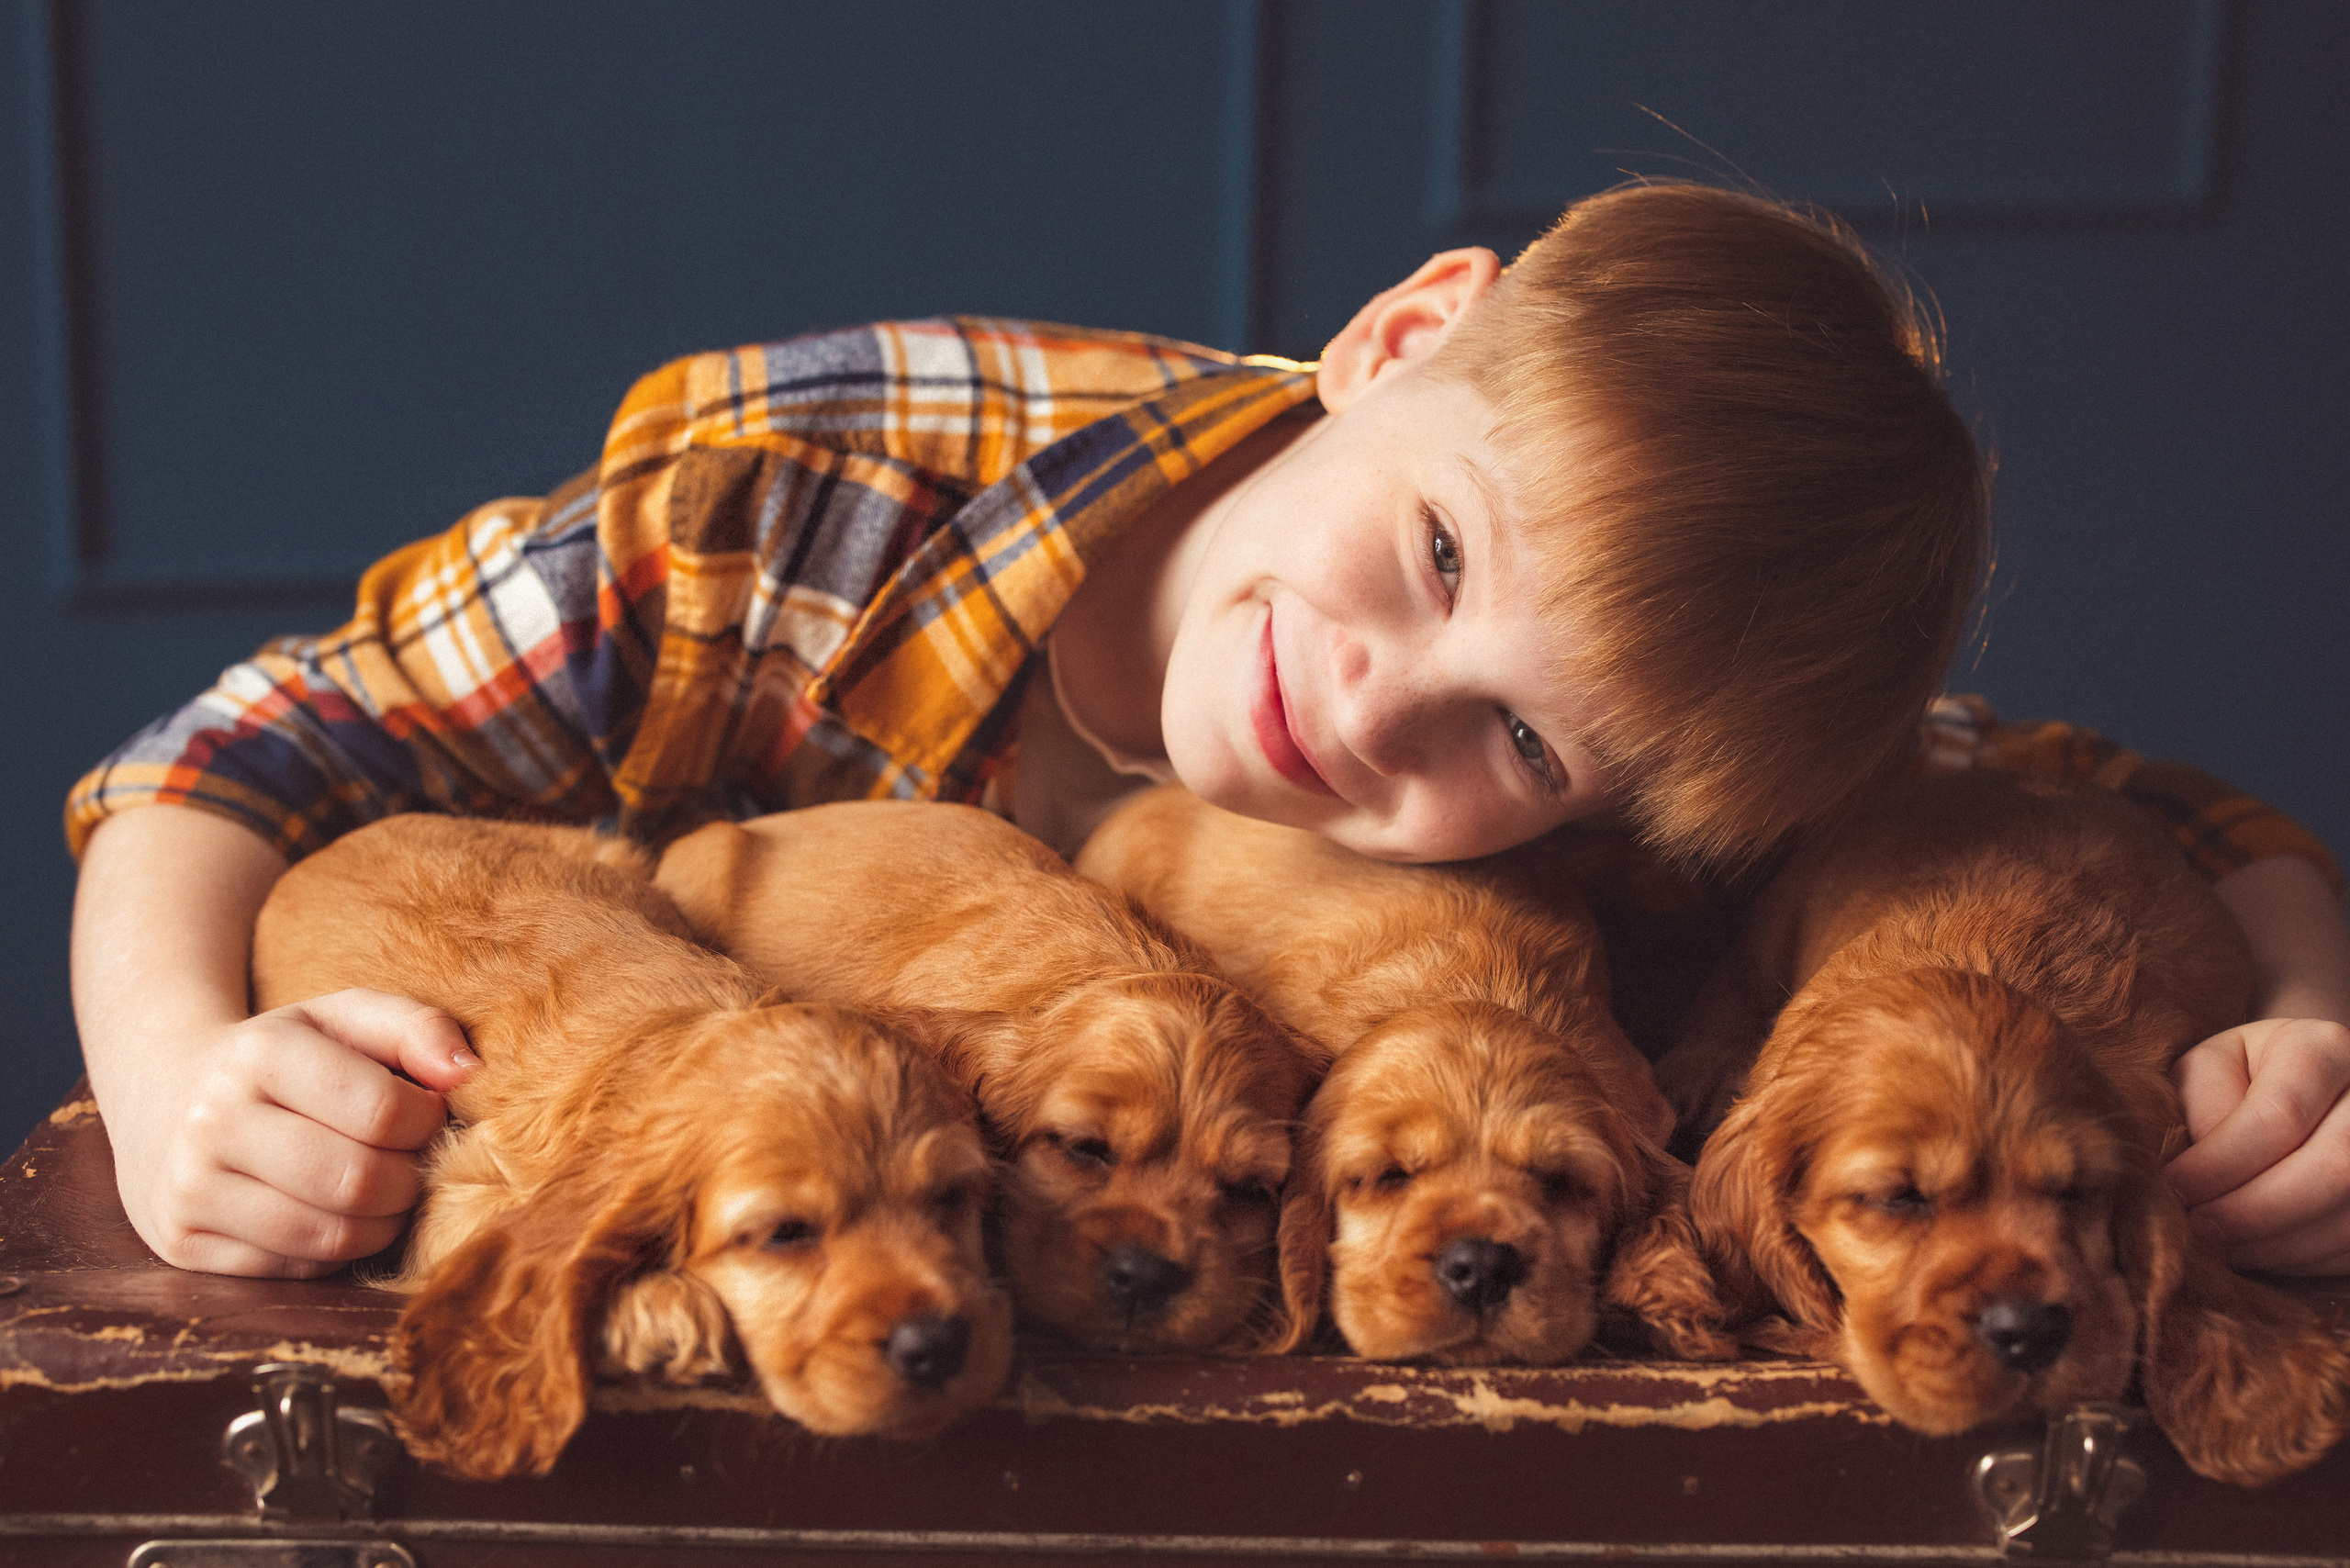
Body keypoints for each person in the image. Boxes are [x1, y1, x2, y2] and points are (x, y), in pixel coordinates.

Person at [65, 183, 2350, 1282]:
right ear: (1397, 334)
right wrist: (177, 1069)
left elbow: (2151, 811)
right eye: (1436, 558)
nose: (1367, 704)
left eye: (1513, 755)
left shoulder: (1673, 763)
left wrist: (2309, 1022)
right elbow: (248, 748)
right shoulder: (817, 485)